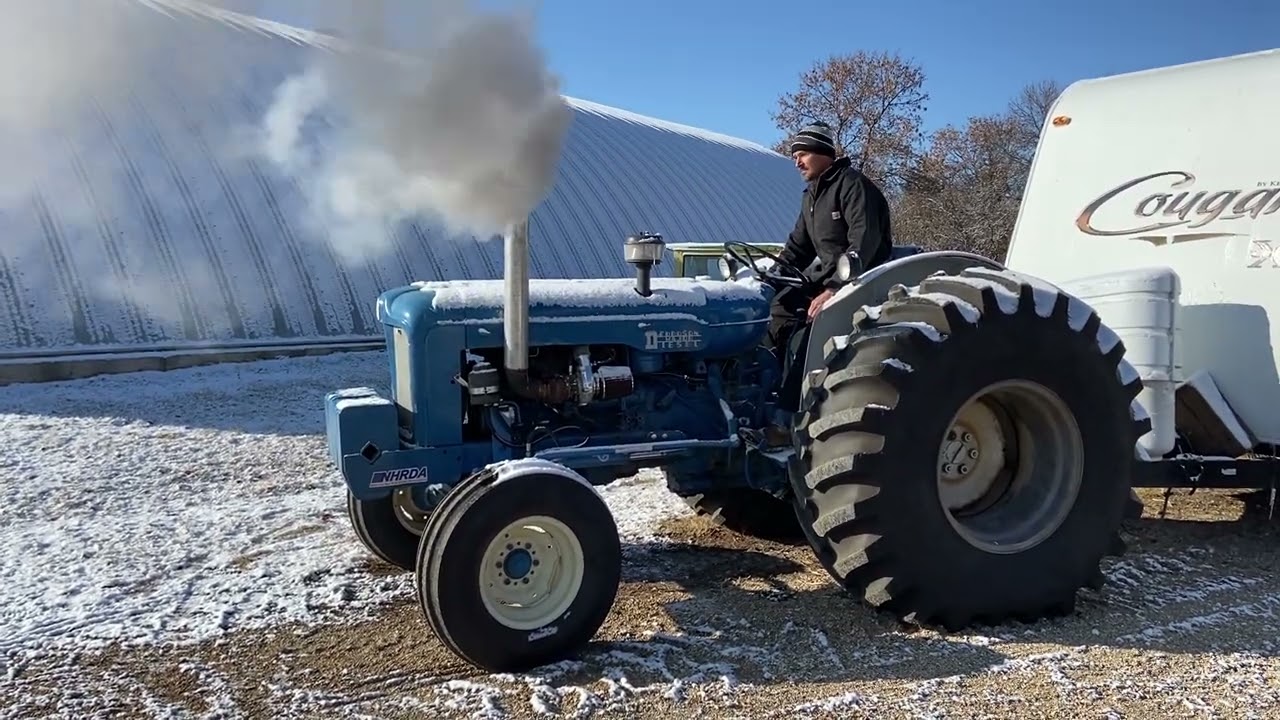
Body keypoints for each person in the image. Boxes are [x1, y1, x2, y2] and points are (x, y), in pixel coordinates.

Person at [753, 121, 894, 449]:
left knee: (808, 332)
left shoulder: (853, 185)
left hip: (861, 278)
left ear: (823, 153)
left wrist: (833, 288)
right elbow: (797, 248)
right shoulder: (812, 196)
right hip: (826, 277)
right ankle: (764, 393)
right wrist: (769, 281)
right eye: (794, 157)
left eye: (801, 154)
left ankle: (790, 419)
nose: (797, 162)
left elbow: (865, 241)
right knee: (778, 309)